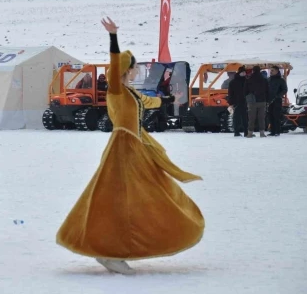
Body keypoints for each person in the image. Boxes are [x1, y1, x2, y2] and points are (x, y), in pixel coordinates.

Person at [56, 17, 205, 275]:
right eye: (135, 68)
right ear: (127, 69)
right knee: (119, 200)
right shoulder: (115, 89)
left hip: (136, 148)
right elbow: (114, 64)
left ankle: (115, 249)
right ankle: (111, 252)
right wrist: (113, 37)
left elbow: (148, 103)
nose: (137, 72)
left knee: (141, 196)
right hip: (122, 150)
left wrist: (170, 98)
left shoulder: (131, 93)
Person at [244, 66, 269, 138]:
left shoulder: (249, 79)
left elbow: (245, 91)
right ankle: (262, 133)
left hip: (252, 102)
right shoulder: (264, 80)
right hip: (262, 101)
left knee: (251, 118)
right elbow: (267, 91)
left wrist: (247, 98)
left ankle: (250, 133)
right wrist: (267, 100)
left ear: (253, 71)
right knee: (261, 118)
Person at [227, 66, 248, 137]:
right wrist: (231, 103)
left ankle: (246, 132)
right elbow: (230, 93)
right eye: (242, 72)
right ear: (239, 73)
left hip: (246, 102)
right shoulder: (233, 82)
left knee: (246, 118)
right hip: (237, 103)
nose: (244, 74)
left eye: (244, 72)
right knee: (237, 118)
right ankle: (236, 132)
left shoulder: (247, 81)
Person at [267, 66, 288, 136]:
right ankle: (272, 131)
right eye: (270, 70)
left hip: (277, 100)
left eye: (272, 70)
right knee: (270, 115)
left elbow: (285, 89)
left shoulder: (281, 80)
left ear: (277, 71)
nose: (271, 71)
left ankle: (277, 131)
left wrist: (279, 95)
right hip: (269, 100)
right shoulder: (269, 79)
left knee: (277, 115)